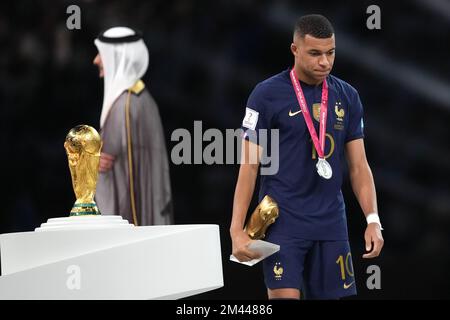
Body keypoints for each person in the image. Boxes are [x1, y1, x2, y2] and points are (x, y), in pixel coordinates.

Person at [230, 14, 384, 299]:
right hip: (282, 223)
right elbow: (249, 166)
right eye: (315, 53)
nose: (324, 62)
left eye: (330, 53)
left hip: (331, 223)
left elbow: (359, 167)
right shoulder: (265, 95)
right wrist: (236, 229)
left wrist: (373, 219)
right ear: (295, 50)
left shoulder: (348, 97)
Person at [93, 27, 173, 226]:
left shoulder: (124, 105)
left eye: (101, 54)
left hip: (129, 221)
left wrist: (87, 161)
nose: (96, 60)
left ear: (117, 57)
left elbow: (107, 165)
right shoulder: (142, 99)